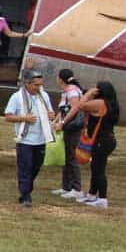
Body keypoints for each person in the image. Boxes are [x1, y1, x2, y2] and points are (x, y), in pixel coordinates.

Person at [56, 80, 119, 209]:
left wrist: (89, 94)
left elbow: (80, 106)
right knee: (95, 168)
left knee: (99, 170)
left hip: (101, 141)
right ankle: (91, 195)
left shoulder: (100, 103)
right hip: (106, 140)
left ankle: (102, 198)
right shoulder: (112, 104)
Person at [4, 68, 57, 208]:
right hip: (25, 140)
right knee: (25, 168)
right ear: (27, 84)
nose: (38, 88)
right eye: (36, 85)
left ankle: (26, 189)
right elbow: (8, 116)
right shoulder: (17, 97)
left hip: (41, 139)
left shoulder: (44, 96)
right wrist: (24, 118)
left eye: (40, 85)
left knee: (35, 167)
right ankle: (26, 195)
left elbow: (50, 112)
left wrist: (51, 116)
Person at [51, 69, 85, 198]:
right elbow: (64, 109)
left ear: (60, 79)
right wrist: (55, 120)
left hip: (73, 128)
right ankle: (66, 187)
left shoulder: (71, 91)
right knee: (66, 156)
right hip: (68, 127)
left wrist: (63, 122)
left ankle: (76, 188)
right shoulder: (67, 91)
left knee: (72, 157)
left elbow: (74, 108)